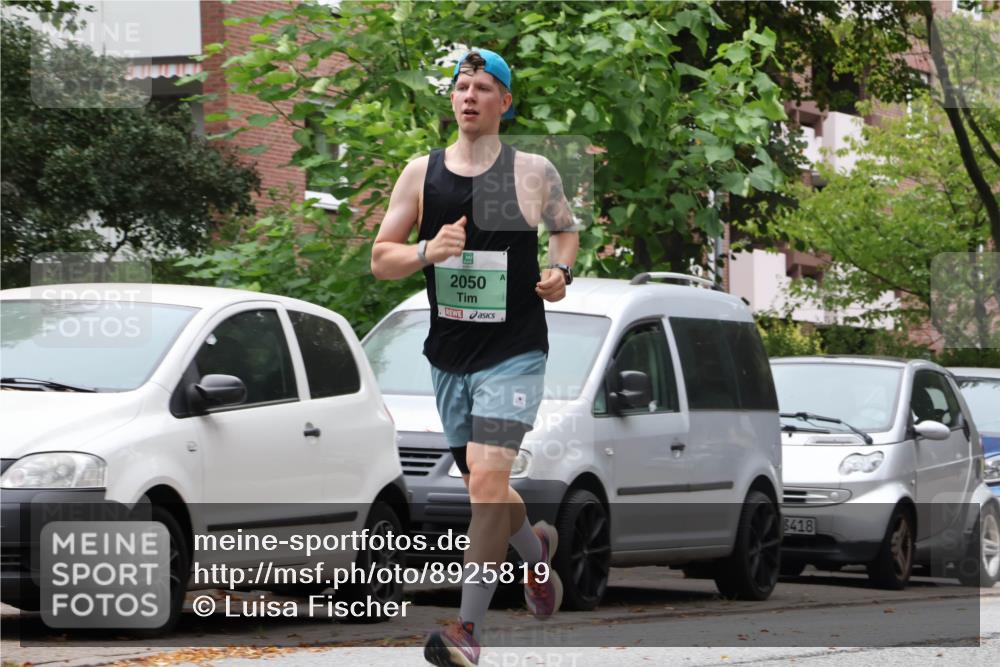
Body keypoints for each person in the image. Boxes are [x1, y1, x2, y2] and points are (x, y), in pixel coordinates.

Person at [370, 48, 580, 667]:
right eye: (462, 86)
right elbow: (381, 259)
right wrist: (426, 252)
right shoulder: (420, 174)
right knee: (486, 488)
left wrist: (560, 270)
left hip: (514, 352)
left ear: (504, 102)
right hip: (449, 357)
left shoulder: (534, 170)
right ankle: (536, 555)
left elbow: (565, 229)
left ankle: (467, 630)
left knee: (487, 485)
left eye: (484, 87)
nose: (469, 96)